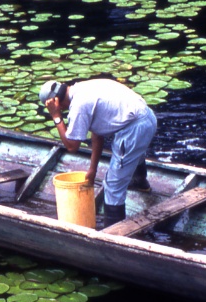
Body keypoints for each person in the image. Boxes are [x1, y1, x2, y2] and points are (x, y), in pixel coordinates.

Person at [39, 76, 157, 228]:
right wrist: (92, 169)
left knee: (113, 186)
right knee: (132, 153)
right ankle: (141, 183)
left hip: (135, 129)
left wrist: (56, 117)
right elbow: (97, 133)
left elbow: (72, 146)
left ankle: (114, 235)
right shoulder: (81, 88)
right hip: (147, 117)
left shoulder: (78, 107)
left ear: (56, 103)